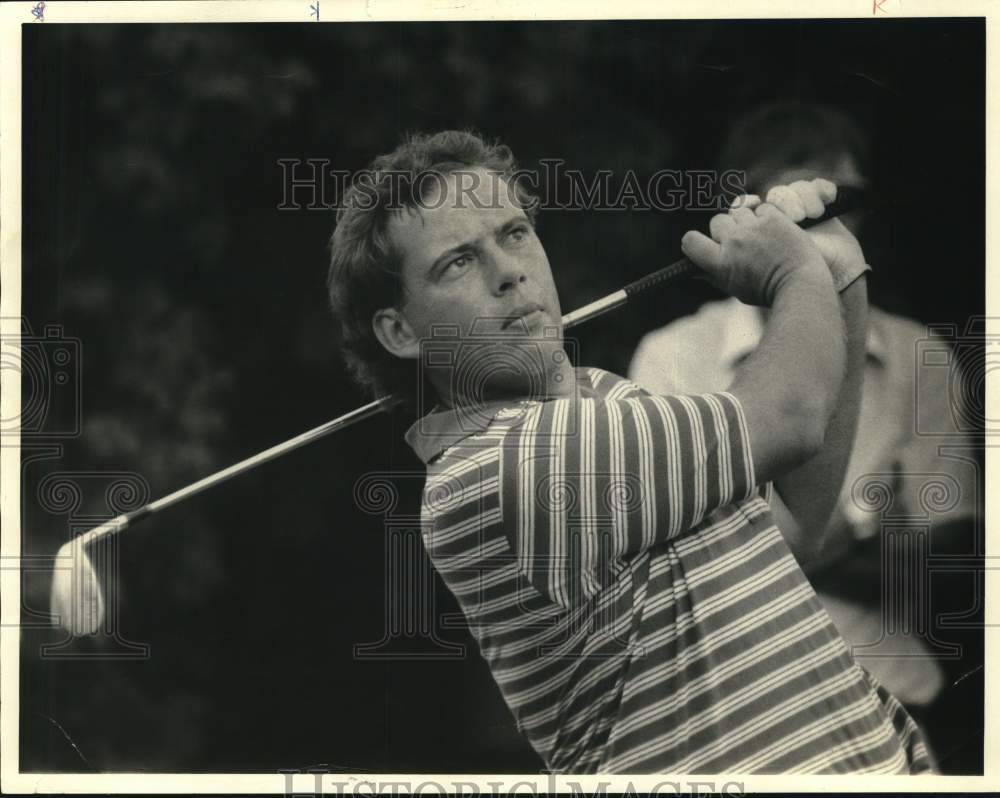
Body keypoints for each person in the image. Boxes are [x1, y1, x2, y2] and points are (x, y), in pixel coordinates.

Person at [327, 129, 931, 773]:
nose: (510, 273)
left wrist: (841, 278)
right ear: (399, 331)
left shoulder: (604, 396)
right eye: (458, 262)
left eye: (513, 233)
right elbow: (787, 418)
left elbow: (789, 533)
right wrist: (794, 271)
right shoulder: (487, 470)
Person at [628, 103, 981, 771]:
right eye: (813, 211)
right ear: (749, 215)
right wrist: (868, 526)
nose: (840, 231)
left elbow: (945, 561)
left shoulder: (919, 356)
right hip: (730, 713)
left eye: (853, 204)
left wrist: (746, 538)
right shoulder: (671, 356)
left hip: (893, 698)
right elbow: (674, 575)